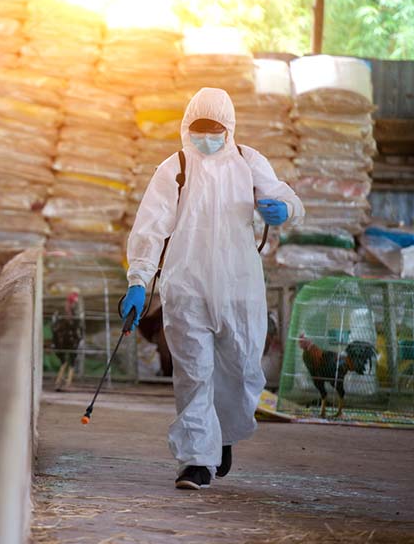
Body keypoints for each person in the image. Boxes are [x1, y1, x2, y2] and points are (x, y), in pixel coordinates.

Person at [121, 87, 304, 490]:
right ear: (187, 128)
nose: (206, 136)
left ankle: (222, 436)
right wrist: (138, 280)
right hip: (186, 287)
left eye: (214, 128)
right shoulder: (176, 167)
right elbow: (150, 228)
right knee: (193, 373)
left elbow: (285, 195)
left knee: (240, 374)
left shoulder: (248, 161)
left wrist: (284, 209)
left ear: (229, 128)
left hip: (240, 290)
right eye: (198, 128)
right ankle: (196, 460)